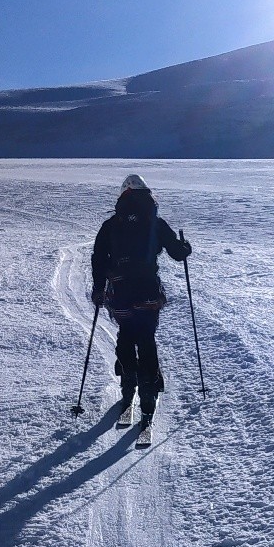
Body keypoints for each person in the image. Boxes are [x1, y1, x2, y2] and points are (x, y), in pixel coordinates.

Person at [91, 175, 191, 428]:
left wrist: (99, 289)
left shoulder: (111, 224)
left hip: (121, 292)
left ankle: (128, 385)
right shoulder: (155, 222)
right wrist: (185, 247)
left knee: (126, 333)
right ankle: (149, 390)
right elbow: (177, 253)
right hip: (148, 291)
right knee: (146, 337)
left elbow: (99, 259)